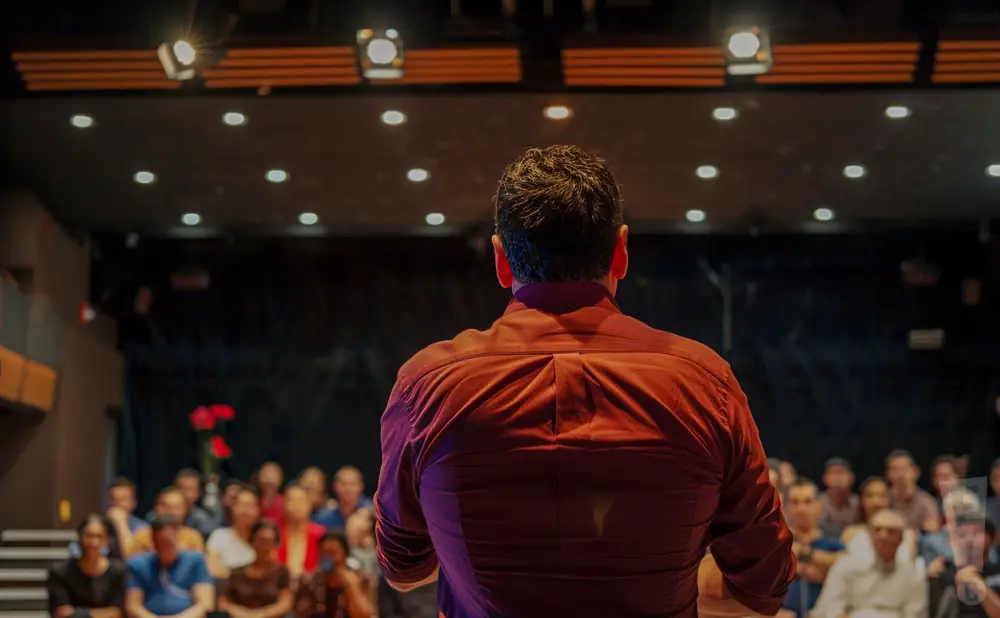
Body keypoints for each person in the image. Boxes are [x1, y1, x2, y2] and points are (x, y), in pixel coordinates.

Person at [375, 145, 795, 618]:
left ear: (501, 260)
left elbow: (403, 568)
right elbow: (766, 585)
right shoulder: (703, 382)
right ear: (620, 251)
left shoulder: (428, 385)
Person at [812, 510, 926, 618]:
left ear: (900, 539)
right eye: (877, 530)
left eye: (891, 531)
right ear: (870, 536)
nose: (883, 536)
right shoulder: (847, 566)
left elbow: (914, 613)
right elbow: (831, 607)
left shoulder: (911, 575)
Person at [125, 515, 214, 618]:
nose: (164, 548)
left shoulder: (196, 560)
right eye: (159, 543)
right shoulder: (138, 564)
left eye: (168, 543)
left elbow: (205, 604)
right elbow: (133, 606)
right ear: (153, 540)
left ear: (177, 537)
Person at [781, 479, 844, 618]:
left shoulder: (832, 538)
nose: (801, 509)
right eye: (795, 502)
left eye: (807, 502)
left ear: (818, 506)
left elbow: (844, 563)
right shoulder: (776, 541)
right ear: (787, 508)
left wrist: (806, 553)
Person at [48, 515, 128, 618]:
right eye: (89, 536)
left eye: (99, 536)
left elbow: (118, 613)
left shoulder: (119, 572)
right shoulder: (60, 573)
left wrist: (78, 614)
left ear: (106, 541)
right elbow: (61, 614)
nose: (93, 543)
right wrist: (102, 614)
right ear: (79, 537)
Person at [928, 516, 1000, 618]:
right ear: (951, 542)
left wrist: (976, 583)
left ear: (991, 538)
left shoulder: (997, 573)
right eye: (961, 535)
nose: (969, 540)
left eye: (976, 533)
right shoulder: (941, 572)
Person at [220, 521, 293, 618]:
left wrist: (259, 615)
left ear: (276, 544)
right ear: (252, 541)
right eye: (261, 541)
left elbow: (285, 603)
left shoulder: (282, 572)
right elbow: (224, 602)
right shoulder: (237, 573)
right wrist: (242, 613)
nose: (265, 546)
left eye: (270, 541)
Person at [296, 530, 374, 618]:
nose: (327, 558)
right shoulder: (310, 581)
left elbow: (365, 615)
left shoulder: (361, 579)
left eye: (331, 552)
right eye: (323, 553)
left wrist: (352, 587)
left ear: (344, 554)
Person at [841, 477, 917, 563]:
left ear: (889, 500)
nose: (875, 502)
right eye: (870, 496)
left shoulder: (907, 534)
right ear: (862, 501)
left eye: (881, 496)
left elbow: (908, 565)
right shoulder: (850, 533)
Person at [129, 487, 204, 556]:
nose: (171, 512)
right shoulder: (141, 537)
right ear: (156, 508)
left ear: (185, 511)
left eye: (177, 508)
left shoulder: (193, 537)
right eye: (166, 506)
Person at [206, 484, 260, 578]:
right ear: (233, 509)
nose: (245, 511)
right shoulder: (219, 536)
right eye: (242, 505)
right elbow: (213, 569)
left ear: (258, 511)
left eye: (250, 506)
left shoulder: (263, 539)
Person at [885, 448, 940, 532]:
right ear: (888, 474)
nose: (900, 474)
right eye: (895, 470)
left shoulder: (926, 501)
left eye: (904, 469)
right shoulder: (884, 499)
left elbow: (933, 529)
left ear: (915, 472)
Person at [278, 484, 326, 578]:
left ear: (309, 505)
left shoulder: (321, 534)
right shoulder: (274, 533)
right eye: (291, 501)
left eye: (300, 501)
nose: (296, 506)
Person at [817, 457, 860, 538]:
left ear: (851, 478)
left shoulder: (859, 503)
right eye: (833, 473)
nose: (837, 478)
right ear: (825, 478)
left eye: (841, 472)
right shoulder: (817, 502)